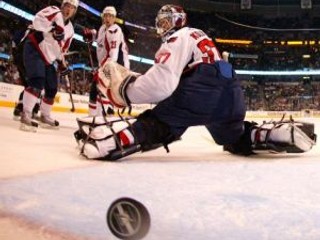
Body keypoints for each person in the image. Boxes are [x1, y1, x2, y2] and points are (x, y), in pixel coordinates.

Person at [76, 4, 316, 160]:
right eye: (161, 22)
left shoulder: (178, 37)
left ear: (178, 21)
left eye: (166, 21)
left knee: (159, 123)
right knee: (234, 136)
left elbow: (162, 84)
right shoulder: (199, 34)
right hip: (231, 91)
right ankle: (274, 135)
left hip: (202, 91)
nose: (162, 27)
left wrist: (126, 92)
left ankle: (106, 144)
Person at [20, 0, 78, 131]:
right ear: (62, 6)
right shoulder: (53, 11)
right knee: (37, 80)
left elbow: (61, 49)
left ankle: (44, 115)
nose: (68, 9)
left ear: (74, 11)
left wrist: (62, 63)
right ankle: (26, 114)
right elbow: (37, 21)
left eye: (72, 8)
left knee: (52, 87)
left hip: (49, 58)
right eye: (67, 6)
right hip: (35, 48)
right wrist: (52, 27)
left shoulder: (71, 30)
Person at [82, 6, 130, 117]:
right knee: (99, 90)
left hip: (117, 65)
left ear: (114, 18)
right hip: (108, 64)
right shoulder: (103, 28)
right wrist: (92, 34)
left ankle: (95, 116)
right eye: (106, 16)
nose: (108, 18)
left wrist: (102, 70)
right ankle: (99, 115)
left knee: (97, 89)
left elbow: (113, 54)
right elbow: (100, 39)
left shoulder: (115, 30)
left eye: (111, 16)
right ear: (103, 17)